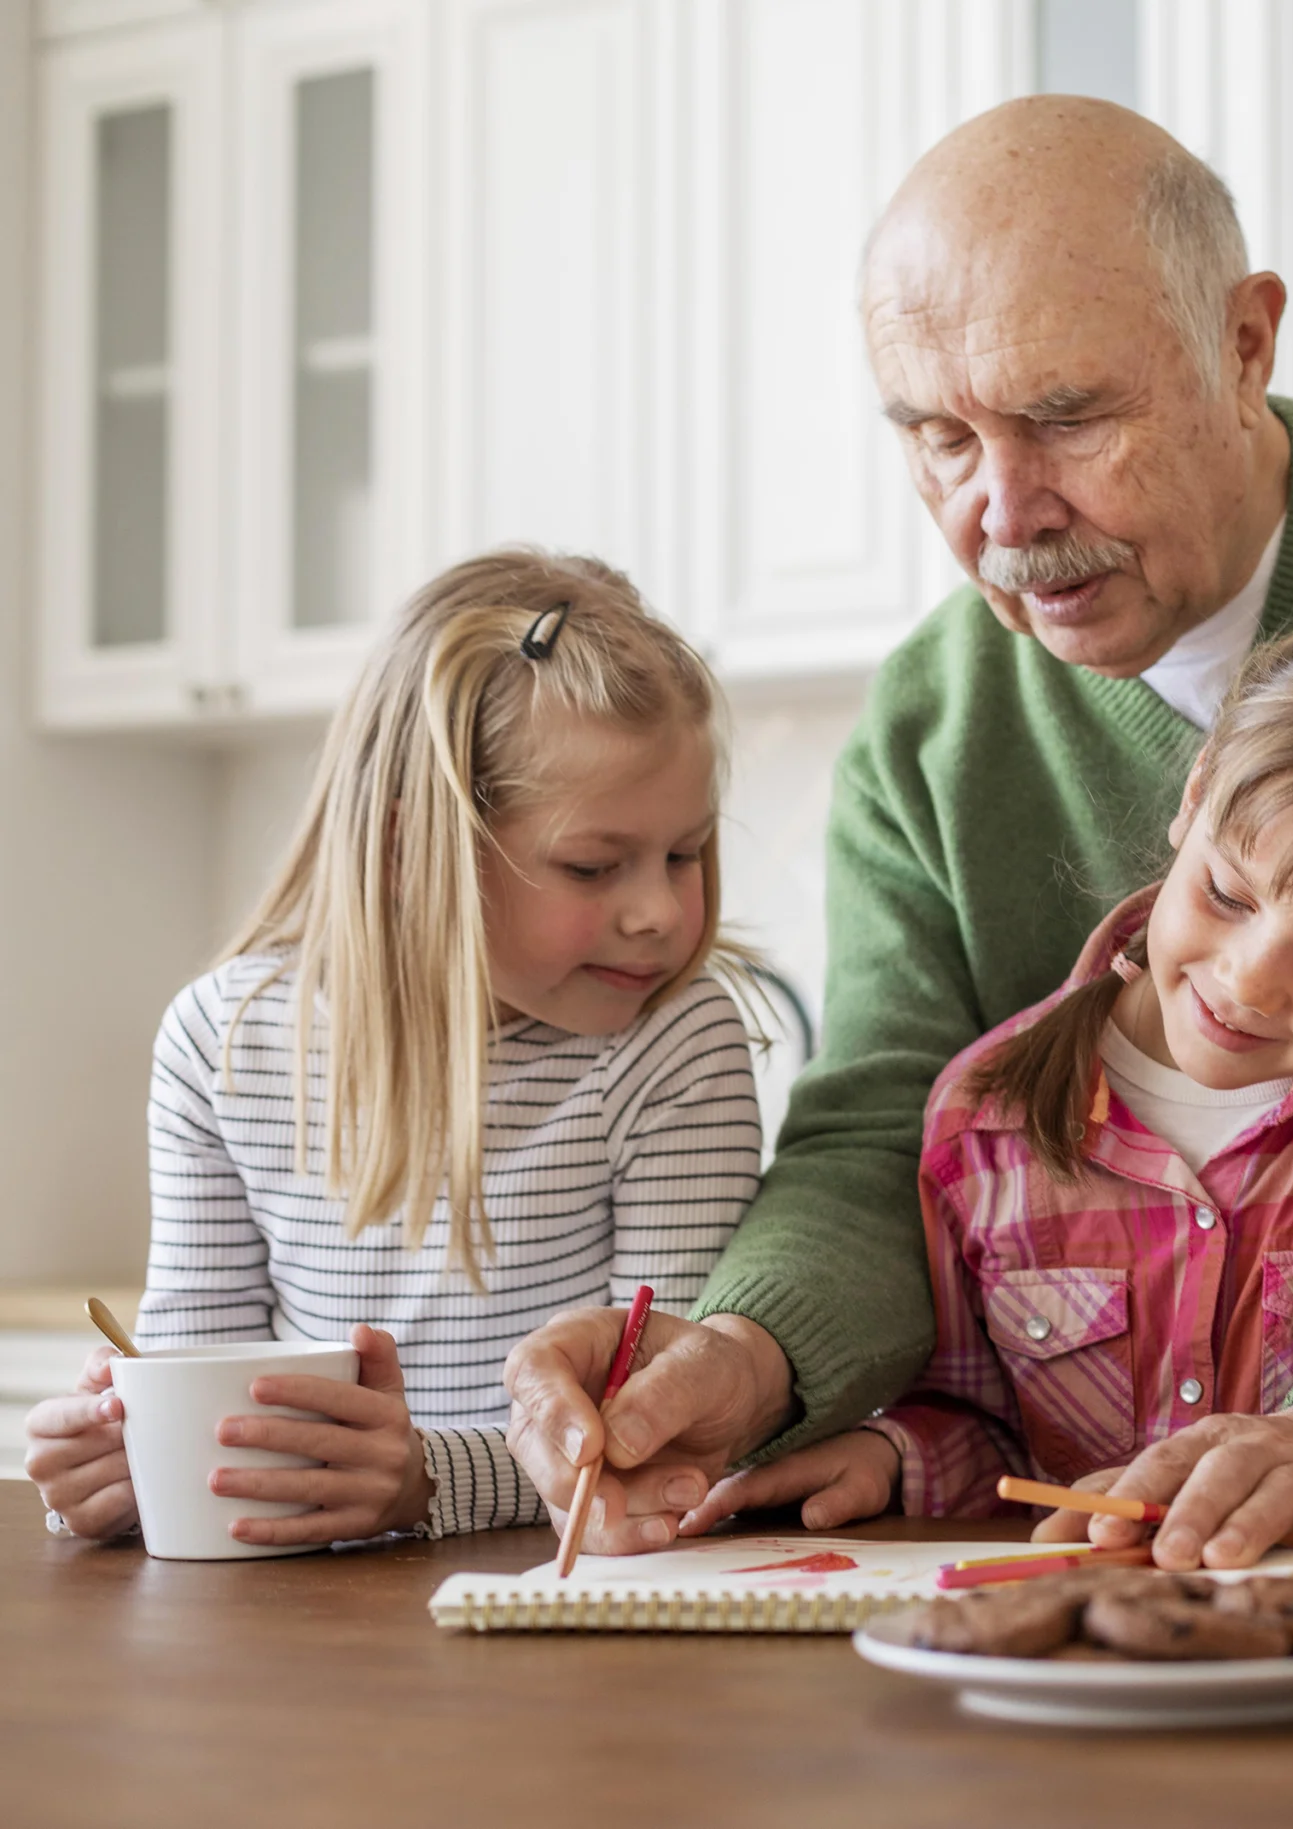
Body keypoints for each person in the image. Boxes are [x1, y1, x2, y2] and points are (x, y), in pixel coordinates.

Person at [503, 95, 1293, 1579]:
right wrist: (750, 1348)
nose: (1002, 510)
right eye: (937, 437)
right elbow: (878, 1127)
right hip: (1185, 1542)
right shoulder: (927, 723)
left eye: (1065, 418)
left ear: (1245, 344)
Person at [682, 607, 1293, 1554]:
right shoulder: (987, 1121)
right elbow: (990, 1423)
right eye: (1228, 895)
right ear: (1195, 796)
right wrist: (898, 1457)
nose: (1246, 980)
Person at [24, 551, 764, 1547]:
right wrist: (124, 1462)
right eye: (594, 864)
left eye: (685, 852)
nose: (659, 911)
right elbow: (200, 1385)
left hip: (564, 1608)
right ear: (413, 851)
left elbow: (672, 1433)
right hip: (297, 1628)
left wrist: (429, 1478)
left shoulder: (675, 1045)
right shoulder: (225, 1041)